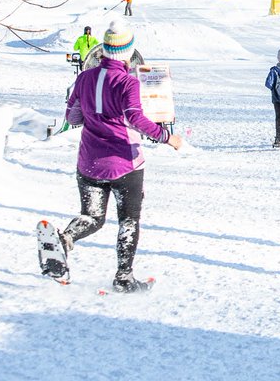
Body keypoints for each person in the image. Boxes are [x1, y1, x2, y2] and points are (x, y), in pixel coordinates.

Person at [52, 20, 183, 293]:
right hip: (125, 162)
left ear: (104, 50)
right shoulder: (128, 82)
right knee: (128, 220)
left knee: (92, 217)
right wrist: (167, 137)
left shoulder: (84, 78)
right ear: (127, 52)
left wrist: (94, 114)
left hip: (88, 161)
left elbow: (72, 116)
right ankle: (123, 277)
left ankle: (65, 239)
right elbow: (134, 118)